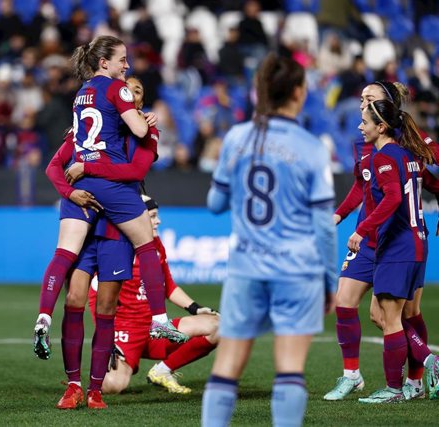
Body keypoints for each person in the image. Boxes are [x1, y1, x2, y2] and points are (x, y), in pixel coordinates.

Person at [201, 53, 337, 427]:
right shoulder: (312, 148)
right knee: (290, 368)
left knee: (227, 367)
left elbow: (215, 203)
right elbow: (324, 226)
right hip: (298, 269)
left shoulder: (237, 138)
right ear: (298, 91)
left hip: (246, 266)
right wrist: (330, 281)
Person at [33, 35, 188, 364]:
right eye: (122, 61)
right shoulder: (117, 98)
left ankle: (47, 323)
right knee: (141, 249)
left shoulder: (83, 96)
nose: (127, 67)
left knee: (83, 282)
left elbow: (129, 167)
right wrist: (73, 188)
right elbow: (133, 159)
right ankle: (158, 321)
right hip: (111, 196)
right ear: (105, 63)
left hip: (92, 193)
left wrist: (80, 172)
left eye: (137, 94)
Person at [43, 76, 162, 409]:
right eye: (127, 91)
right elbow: (55, 166)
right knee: (75, 300)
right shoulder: (88, 130)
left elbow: (135, 171)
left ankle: (94, 390)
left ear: (140, 102)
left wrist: (88, 165)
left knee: (107, 307)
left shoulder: (145, 133)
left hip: (117, 228)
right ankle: (72, 385)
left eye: (137, 91)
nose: (130, 95)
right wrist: (71, 187)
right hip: (87, 225)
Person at [324, 81, 439, 401]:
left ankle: (416, 379)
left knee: (397, 315)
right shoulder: (366, 143)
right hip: (374, 236)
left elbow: (414, 184)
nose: (362, 104)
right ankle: (351, 375)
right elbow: (362, 187)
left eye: (368, 99)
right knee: (345, 301)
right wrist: (340, 216)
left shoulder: (404, 142)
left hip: (396, 237)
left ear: (385, 109)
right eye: (360, 98)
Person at [87, 194, 219, 396]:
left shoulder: (156, 245)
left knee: (219, 326)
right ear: (136, 219)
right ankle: (103, 364)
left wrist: (196, 308)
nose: (159, 221)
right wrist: (106, 339)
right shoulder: (115, 249)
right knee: (112, 386)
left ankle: (162, 371)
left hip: (156, 329)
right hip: (125, 333)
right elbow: (95, 296)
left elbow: (169, 287)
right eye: (153, 216)